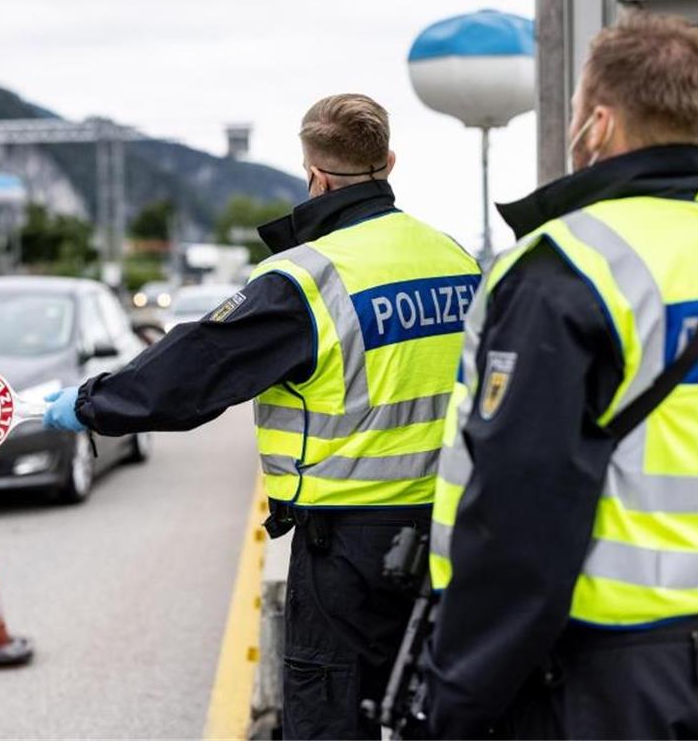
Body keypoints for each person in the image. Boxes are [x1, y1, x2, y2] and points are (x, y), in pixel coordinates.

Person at [42, 93, 481, 738]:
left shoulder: (306, 278)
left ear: (314, 174)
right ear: (389, 162)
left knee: (333, 719)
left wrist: (90, 405)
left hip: (348, 553)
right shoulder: (455, 259)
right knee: (430, 710)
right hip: (449, 532)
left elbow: (196, 369)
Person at [415, 11, 698, 739]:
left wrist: (457, 696)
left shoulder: (564, 267)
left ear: (597, 124)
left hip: (606, 673)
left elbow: (519, 509)